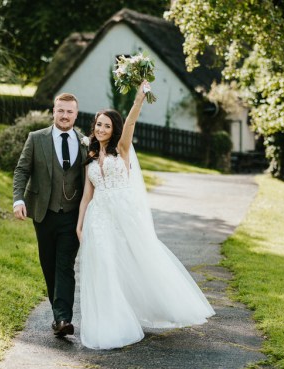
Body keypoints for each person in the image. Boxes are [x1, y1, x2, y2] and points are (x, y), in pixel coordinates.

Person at [76, 81, 215, 350]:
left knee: (139, 260)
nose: (101, 129)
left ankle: (167, 305)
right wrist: (80, 226)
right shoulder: (91, 157)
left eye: (107, 125)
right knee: (105, 266)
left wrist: (139, 98)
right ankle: (113, 322)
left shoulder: (123, 150)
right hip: (98, 218)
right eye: (98, 124)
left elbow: (129, 124)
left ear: (113, 129)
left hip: (124, 215)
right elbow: (86, 195)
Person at [13, 93, 87, 337]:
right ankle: (59, 316)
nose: (64, 116)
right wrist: (18, 199)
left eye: (69, 112)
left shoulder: (85, 143)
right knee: (49, 264)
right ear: (53, 111)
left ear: (76, 115)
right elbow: (22, 170)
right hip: (43, 213)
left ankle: (63, 318)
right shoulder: (36, 139)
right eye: (60, 111)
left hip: (73, 216)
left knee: (64, 265)